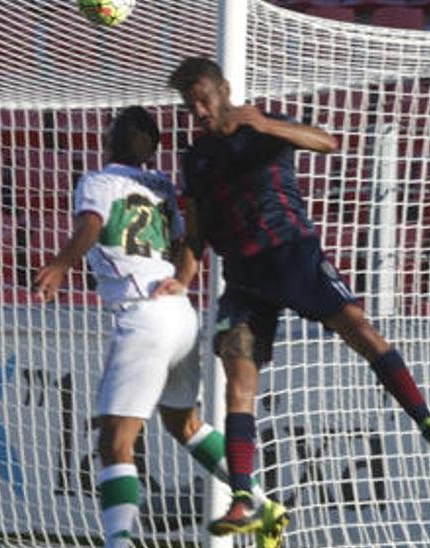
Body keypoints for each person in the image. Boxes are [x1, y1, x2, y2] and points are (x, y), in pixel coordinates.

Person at [167, 56, 430, 537]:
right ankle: (244, 498)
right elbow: (197, 234)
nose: (199, 110)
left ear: (224, 88)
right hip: (244, 279)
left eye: (203, 97)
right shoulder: (196, 157)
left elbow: (327, 142)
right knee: (237, 383)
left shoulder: (265, 126)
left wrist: (264, 122)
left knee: (360, 329)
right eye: (190, 104)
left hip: (293, 255)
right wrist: (181, 279)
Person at [33, 106, 284, 548]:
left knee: (115, 440)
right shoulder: (164, 187)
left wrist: (60, 264)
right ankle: (263, 506)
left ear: (107, 140)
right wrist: (184, 279)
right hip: (179, 311)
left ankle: (120, 542)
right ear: (154, 148)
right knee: (184, 424)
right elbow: (191, 240)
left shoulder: (97, 181)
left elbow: (91, 224)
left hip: (141, 314)